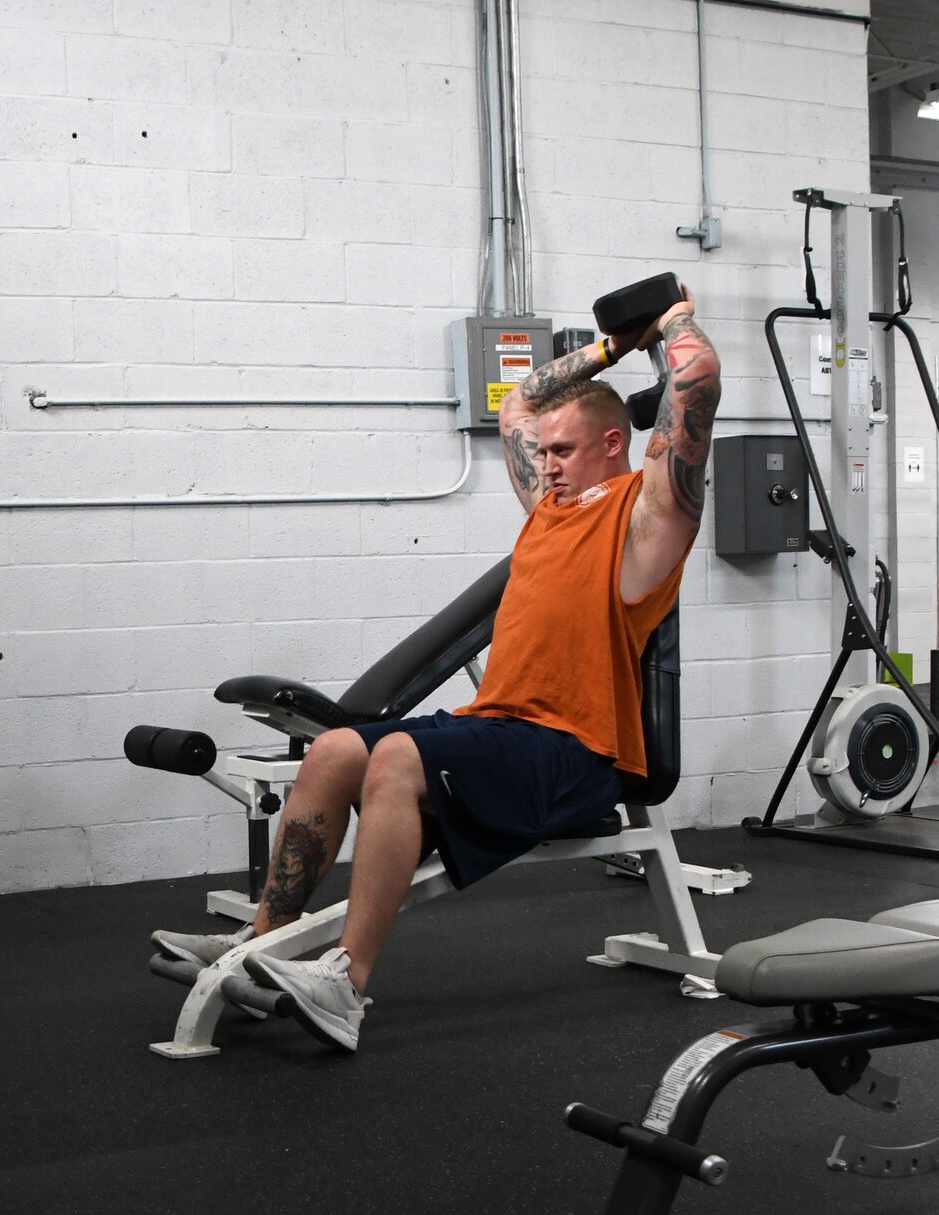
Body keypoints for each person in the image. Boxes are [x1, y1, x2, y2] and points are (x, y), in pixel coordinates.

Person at [153, 285, 721, 1051]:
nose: (544, 464)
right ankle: (260, 937)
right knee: (334, 748)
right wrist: (612, 348)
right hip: (498, 726)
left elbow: (696, 382)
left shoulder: (650, 518)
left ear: (614, 445)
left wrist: (672, 323)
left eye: (562, 451)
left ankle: (344, 985)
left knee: (393, 757)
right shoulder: (549, 512)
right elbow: (520, 400)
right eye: (543, 453)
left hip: (576, 749)